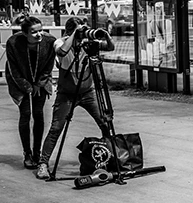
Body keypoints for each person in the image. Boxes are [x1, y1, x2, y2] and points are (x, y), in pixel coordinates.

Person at [35, 18, 115, 180]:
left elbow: (110, 47)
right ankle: (43, 164)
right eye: (79, 31)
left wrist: (105, 35)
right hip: (67, 94)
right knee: (56, 128)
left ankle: (114, 157)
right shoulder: (60, 42)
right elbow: (61, 52)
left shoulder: (88, 43)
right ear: (70, 31)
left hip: (88, 92)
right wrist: (73, 34)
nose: (81, 35)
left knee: (105, 123)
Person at [5, 16, 56, 169]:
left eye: (41, 30)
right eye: (34, 32)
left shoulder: (49, 41)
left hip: (41, 81)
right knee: (25, 114)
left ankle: (37, 152)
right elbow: (13, 69)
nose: (39, 34)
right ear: (25, 34)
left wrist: (39, 84)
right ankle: (27, 153)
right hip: (19, 81)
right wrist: (27, 87)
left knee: (38, 114)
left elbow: (49, 66)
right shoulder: (13, 43)